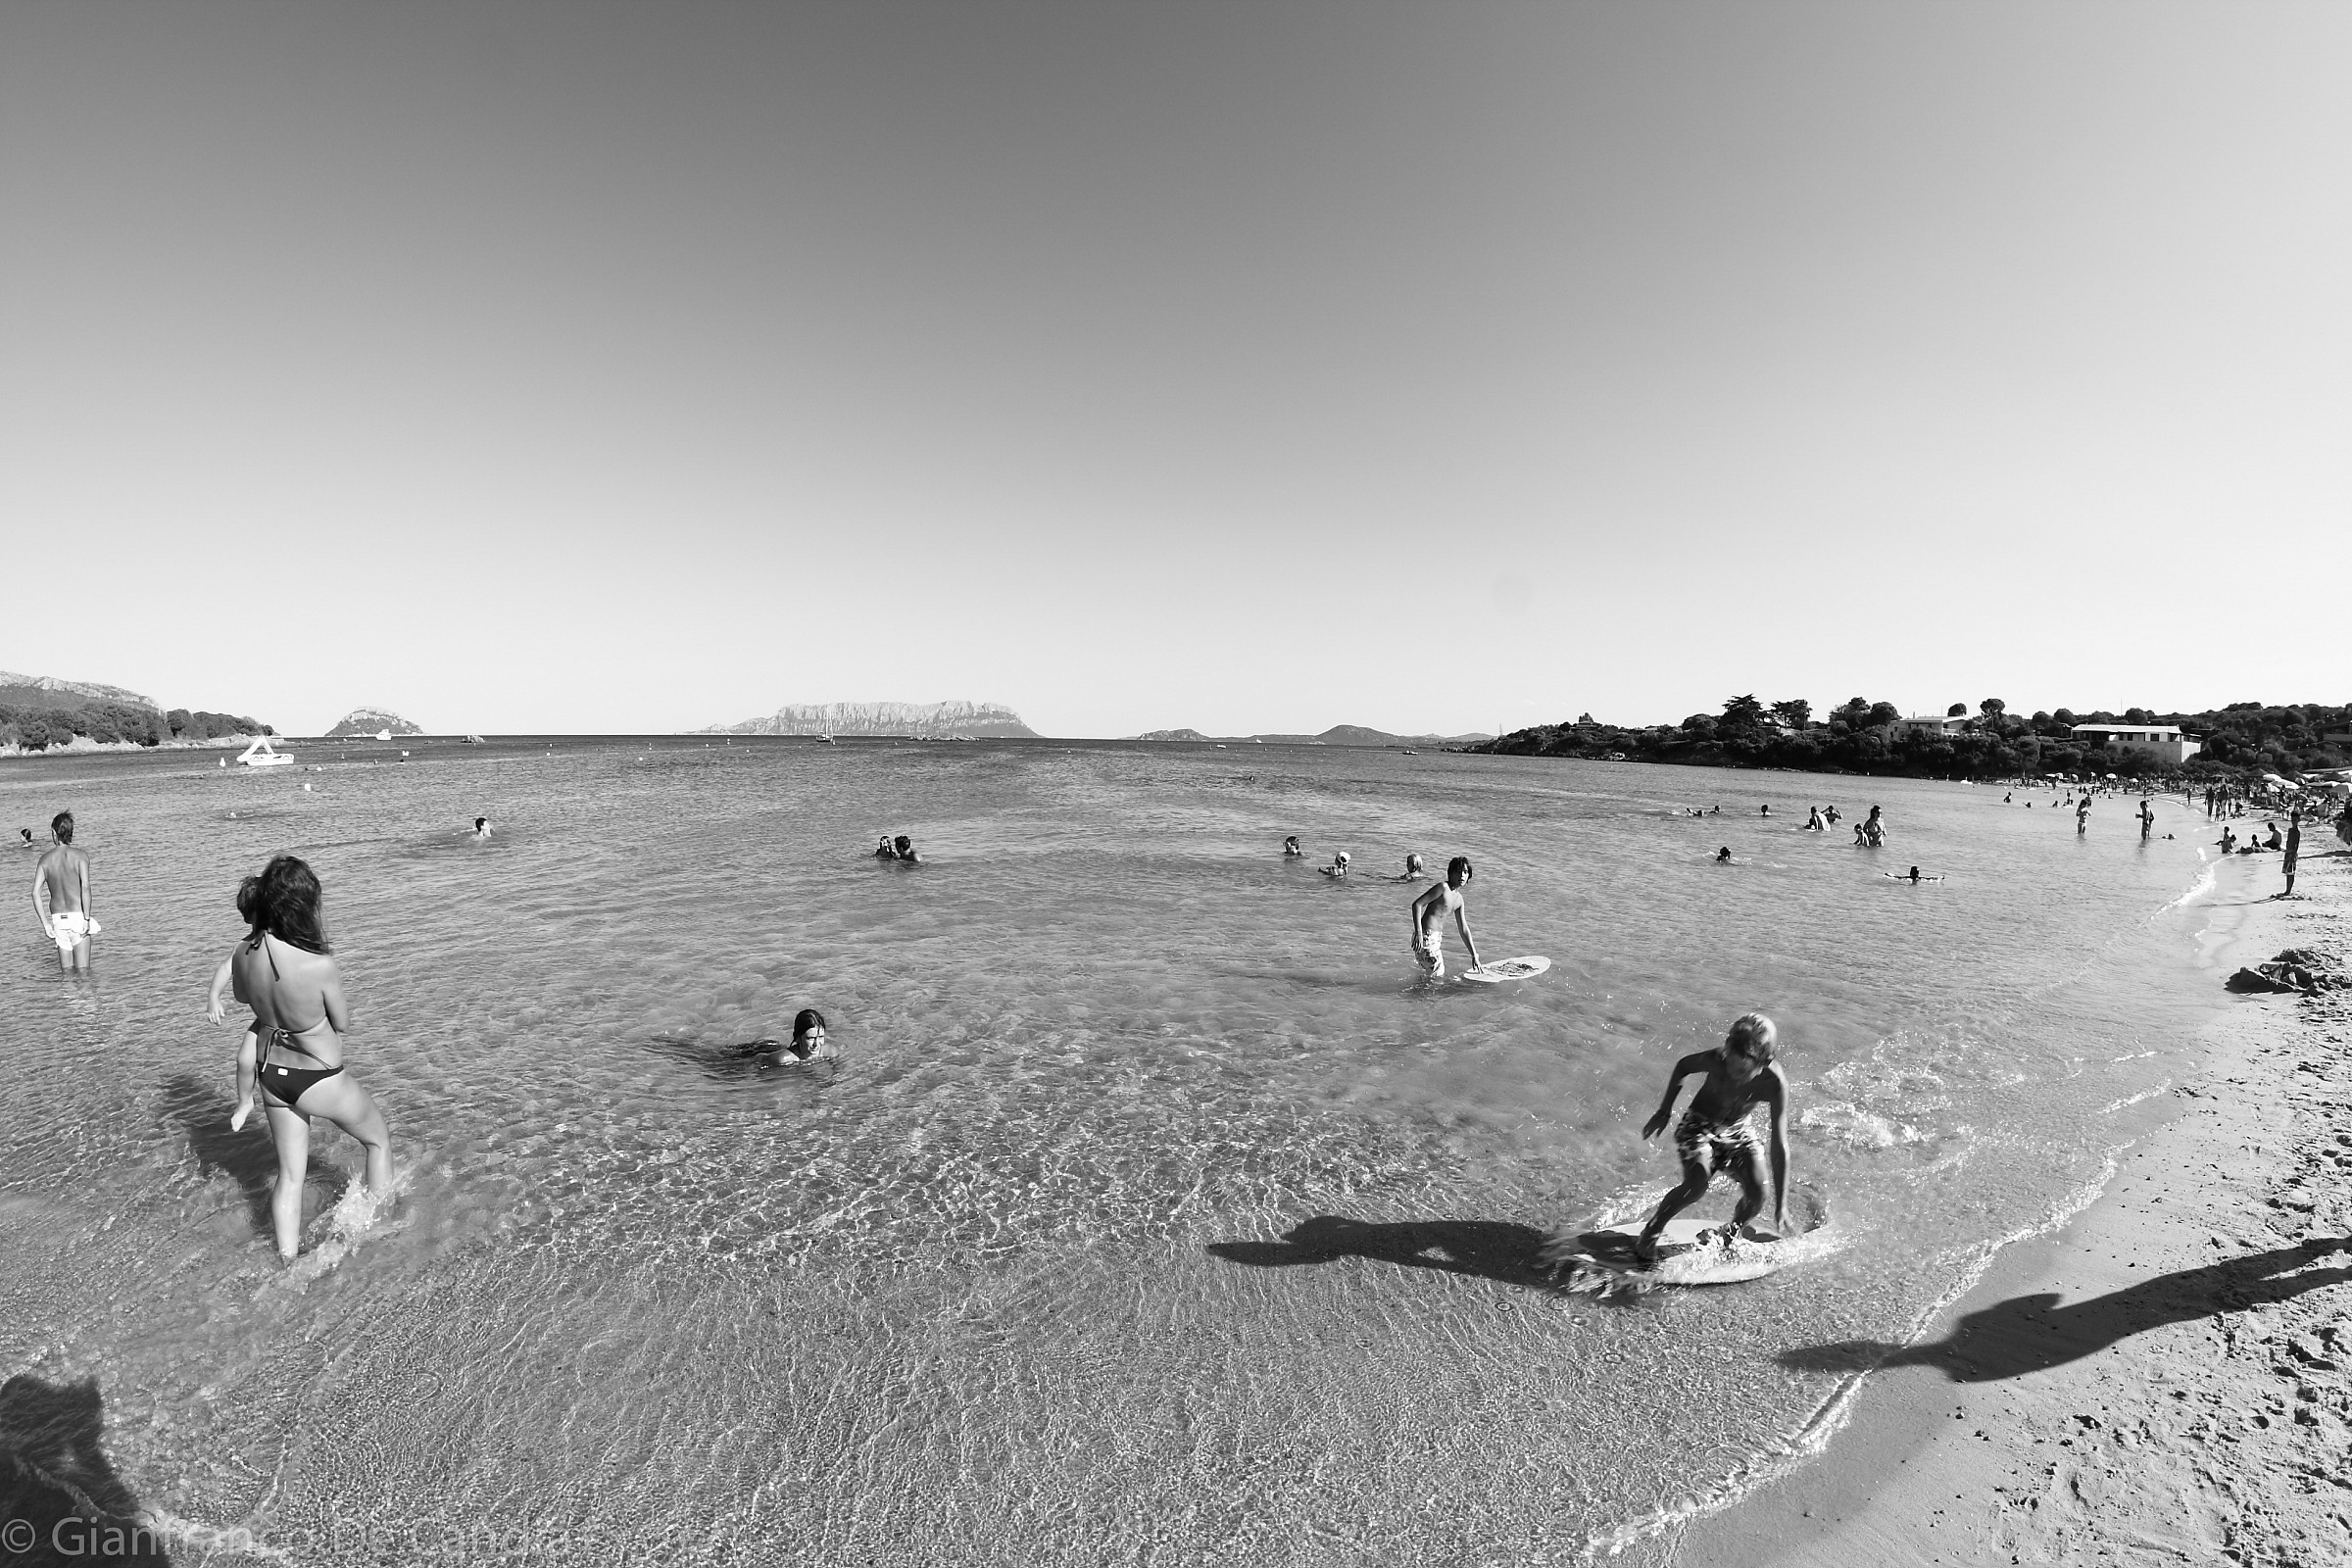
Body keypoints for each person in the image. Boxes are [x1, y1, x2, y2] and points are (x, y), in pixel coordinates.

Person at [219, 856, 394, 1261]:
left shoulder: (243, 953)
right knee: (377, 1141)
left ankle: (286, 1260)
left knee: (291, 1176)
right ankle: (382, 1235)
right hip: (320, 1077)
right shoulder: (319, 964)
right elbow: (343, 1023)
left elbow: (245, 998)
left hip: (272, 1075)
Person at [1634, 1013, 1789, 1266]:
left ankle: (1731, 1234)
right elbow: (1683, 1065)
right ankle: (1652, 1230)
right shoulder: (1719, 1059)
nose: (1731, 1073)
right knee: (1696, 1186)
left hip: (1738, 1131)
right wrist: (1664, 1110)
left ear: (1765, 1061)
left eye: (1741, 1070)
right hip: (1699, 1125)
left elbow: (1780, 1145)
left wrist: (1781, 1204)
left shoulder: (1775, 1085)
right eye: (1729, 1063)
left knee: (1759, 1192)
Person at [30, 811, 96, 971]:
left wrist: (46, 924)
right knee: (84, 972)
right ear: (71, 833)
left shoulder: (45, 859)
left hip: (58, 920)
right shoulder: (81, 856)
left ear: (54, 833)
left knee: (66, 975)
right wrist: (87, 919)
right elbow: (85, 887)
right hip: (78, 917)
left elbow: (35, 893)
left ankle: (66, 997)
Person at [1408, 856, 1482, 979]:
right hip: (1425, 936)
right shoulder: (1443, 888)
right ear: (1451, 873)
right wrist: (1419, 933)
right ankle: (1425, 997)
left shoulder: (1459, 900)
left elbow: (1463, 929)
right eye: (1458, 872)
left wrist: (1474, 954)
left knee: (1431, 977)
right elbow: (1417, 904)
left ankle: (1417, 996)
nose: (1462, 876)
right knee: (1438, 974)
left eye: (1465, 872)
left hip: (1436, 940)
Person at [2281, 811, 2301, 898]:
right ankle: (2287, 889)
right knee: (2287, 872)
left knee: (2291, 872)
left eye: (2295, 820)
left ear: (2298, 820)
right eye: (2292, 819)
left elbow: (2296, 844)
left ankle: (2288, 890)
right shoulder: (2290, 830)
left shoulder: (2297, 831)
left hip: (2292, 853)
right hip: (2288, 852)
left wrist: (2293, 855)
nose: (2293, 821)